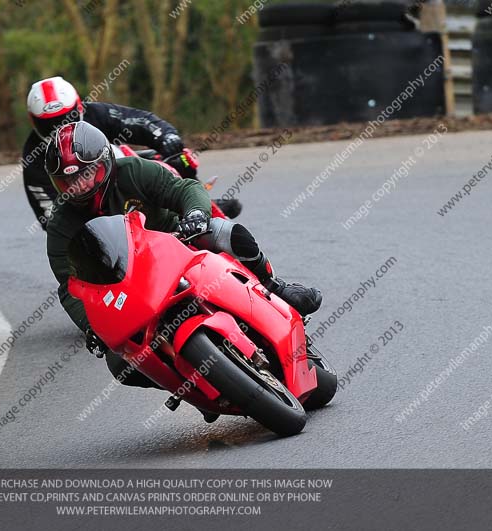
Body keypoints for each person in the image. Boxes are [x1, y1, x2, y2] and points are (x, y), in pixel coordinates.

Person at [45, 122, 322, 401]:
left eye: (88, 174)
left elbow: (183, 188)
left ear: (106, 163)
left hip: (176, 243)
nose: (80, 186)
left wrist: (196, 214)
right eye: (68, 181)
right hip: (128, 290)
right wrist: (91, 326)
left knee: (227, 233)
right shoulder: (60, 225)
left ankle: (275, 287)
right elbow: (70, 286)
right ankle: (194, 390)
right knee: (120, 363)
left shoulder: (132, 171)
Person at [23, 76, 241, 230]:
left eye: (65, 119)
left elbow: (140, 121)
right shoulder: (33, 157)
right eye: (49, 125)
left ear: (79, 108)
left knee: (182, 159)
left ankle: (201, 208)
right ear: (34, 122)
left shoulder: (96, 113)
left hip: (124, 178)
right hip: (89, 214)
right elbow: (49, 216)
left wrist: (167, 138)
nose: (60, 129)